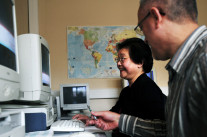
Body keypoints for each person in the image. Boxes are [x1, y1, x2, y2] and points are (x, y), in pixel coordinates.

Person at [90, 0, 207, 137]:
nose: (145, 40)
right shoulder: (183, 67)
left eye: (142, 28)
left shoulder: (203, 60)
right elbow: (170, 130)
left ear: (156, 17)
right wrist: (120, 121)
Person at [73, 37, 167, 137]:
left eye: (122, 59)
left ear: (140, 62)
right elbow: (113, 115)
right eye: (118, 59)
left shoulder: (149, 89)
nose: (118, 63)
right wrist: (91, 119)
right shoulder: (127, 91)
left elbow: (156, 130)